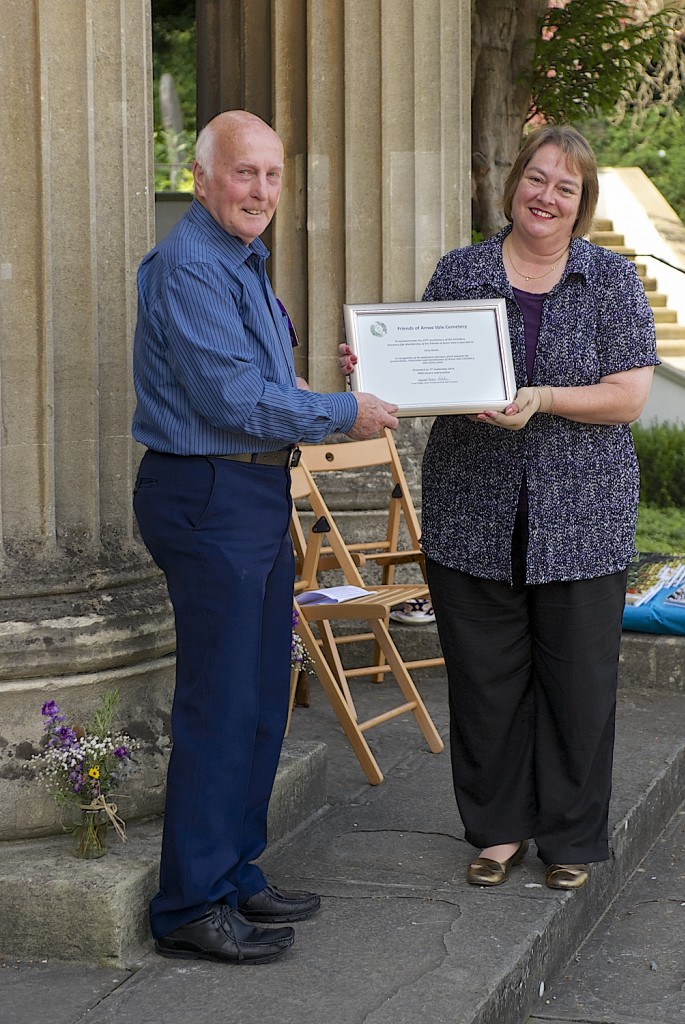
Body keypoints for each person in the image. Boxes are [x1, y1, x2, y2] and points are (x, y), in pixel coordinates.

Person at [340, 124, 658, 892]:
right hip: (473, 509)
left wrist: (543, 398)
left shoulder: (610, 281)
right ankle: (497, 830)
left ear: (579, 206)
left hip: (582, 516)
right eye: (536, 178)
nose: (545, 196)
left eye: (565, 187)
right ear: (513, 182)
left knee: (578, 684)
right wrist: (375, 366)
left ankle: (570, 836)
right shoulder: (462, 271)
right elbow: (417, 374)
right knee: (484, 682)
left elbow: (628, 396)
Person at [132, 110, 398, 964]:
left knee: (256, 694)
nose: (260, 191)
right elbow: (230, 402)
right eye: (244, 173)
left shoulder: (241, 261)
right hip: (207, 491)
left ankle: (235, 871)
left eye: (272, 176)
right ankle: (187, 906)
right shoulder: (189, 266)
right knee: (219, 705)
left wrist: (331, 387)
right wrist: (340, 412)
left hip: (247, 489)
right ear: (203, 176)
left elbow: (263, 383)